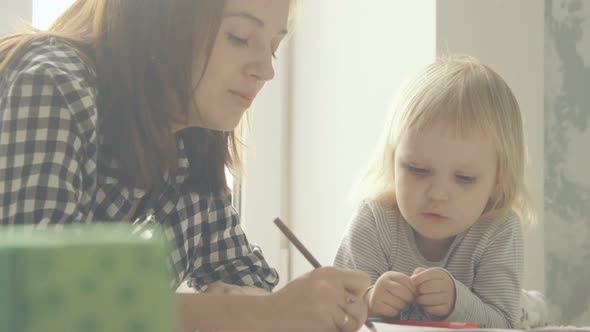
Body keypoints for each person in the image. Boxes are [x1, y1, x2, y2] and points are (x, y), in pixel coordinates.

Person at [0, 1, 370, 331]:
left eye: (273, 48)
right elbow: (35, 303)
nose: (266, 70)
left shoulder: (191, 138)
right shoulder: (52, 84)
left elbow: (245, 279)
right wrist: (258, 313)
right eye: (241, 37)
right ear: (161, 17)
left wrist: (270, 305)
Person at [334, 55, 533, 328]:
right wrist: (368, 300)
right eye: (418, 170)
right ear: (393, 162)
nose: (438, 194)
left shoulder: (498, 228)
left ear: (498, 180)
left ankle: (531, 304)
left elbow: (503, 323)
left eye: (464, 178)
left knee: (525, 312)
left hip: (516, 309)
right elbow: (334, 309)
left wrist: (456, 301)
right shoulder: (374, 221)